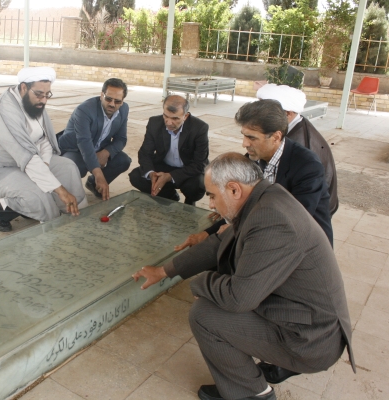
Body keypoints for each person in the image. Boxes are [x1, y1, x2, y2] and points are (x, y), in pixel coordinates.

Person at [132, 152, 355, 400]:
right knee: (215, 301)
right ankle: (241, 385)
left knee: (205, 315)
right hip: (301, 317)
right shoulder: (264, 197)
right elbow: (220, 243)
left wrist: (200, 285)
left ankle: (252, 394)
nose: (211, 205)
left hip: (310, 339)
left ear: (234, 189)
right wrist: (164, 271)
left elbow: (239, 298)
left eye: (212, 196)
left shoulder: (272, 220)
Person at [175, 99, 333, 251]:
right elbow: (241, 205)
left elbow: (293, 219)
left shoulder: (307, 166)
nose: (244, 143)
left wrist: (238, 227)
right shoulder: (251, 159)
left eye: (251, 137)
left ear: (276, 137)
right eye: (244, 135)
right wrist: (206, 233)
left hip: (305, 244)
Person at [0, 66, 85, 231]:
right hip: (0, 169)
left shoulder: (33, 102)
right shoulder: (4, 110)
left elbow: (44, 139)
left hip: (31, 159)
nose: (44, 100)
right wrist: (61, 191)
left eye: (47, 95)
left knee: (68, 168)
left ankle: (68, 213)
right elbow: (26, 156)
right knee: (39, 196)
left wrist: (45, 163)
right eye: (39, 94)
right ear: (24, 87)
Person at [257, 83, 338, 214]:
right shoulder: (291, 125)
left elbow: (298, 208)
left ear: (288, 114)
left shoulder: (300, 145)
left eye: (264, 111)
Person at [58, 78, 132, 200]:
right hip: (75, 148)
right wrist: (99, 174)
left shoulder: (124, 109)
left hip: (99, 147)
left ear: (122, 101)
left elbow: (121, 139)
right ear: (102, 95)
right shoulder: (85, 110)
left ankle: (94, 184)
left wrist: (105, 153)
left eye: (117, 101)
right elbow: (84, 142)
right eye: (108, 99)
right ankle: (62, 193)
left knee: (123, 160)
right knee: (74, 167)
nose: (112, 104)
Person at [128, 95, 209, 205]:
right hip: (164, 166)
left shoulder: (199, 128)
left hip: (188, 168)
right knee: (136, 176)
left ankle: (189, 203)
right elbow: (145, 153)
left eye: (175, 118)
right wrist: (151, 173)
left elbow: (200, 164)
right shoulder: (154, 123)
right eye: (166, 116)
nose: (169, 122)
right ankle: (170, 197)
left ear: (185, 116)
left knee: (197, 185)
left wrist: (170, 176)